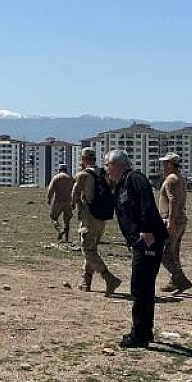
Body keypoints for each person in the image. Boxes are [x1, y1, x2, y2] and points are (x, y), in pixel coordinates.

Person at [105, 149, 167, 349]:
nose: (106, 169)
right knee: (143, 286)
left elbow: (147, 204)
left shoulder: (135, 178)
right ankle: (144, 331)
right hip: (140, 242)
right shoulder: (121, 185)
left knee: (140, 287)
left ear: (118, 165)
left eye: (108, 165)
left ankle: (140, 334)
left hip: (149, 240)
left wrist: (147, 230)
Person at [72, 147, 122, 296]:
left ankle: (109, 278)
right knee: (92, 249)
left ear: (83, 159)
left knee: (88, 250)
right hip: (101, 218)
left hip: (89, 217)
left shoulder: (83, 174)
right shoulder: (104, 173)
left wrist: (77, 205)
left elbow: (74, 194)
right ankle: (86, 282)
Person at [157, 153, 192, 294]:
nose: (163, 166)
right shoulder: (180, 178)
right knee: (174, 252)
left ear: (170, 164)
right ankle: (174, 281)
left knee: (164, 254)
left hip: (171, 220)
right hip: (180, 220)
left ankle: (181, 279)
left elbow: (173, 200)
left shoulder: (171, 179)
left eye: (165, 164)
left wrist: (170, 222)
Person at [45, 163, 76, 242]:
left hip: (58, 202)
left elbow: (50, 189)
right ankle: (66, 239)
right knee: (67, 220)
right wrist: (74, 202)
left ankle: (60, 230)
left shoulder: (56, 178)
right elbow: (75, 191)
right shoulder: (70, 178)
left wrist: (49, 199)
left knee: (53, 217)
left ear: (59, 170)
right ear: (66, 170)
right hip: (68, 202)